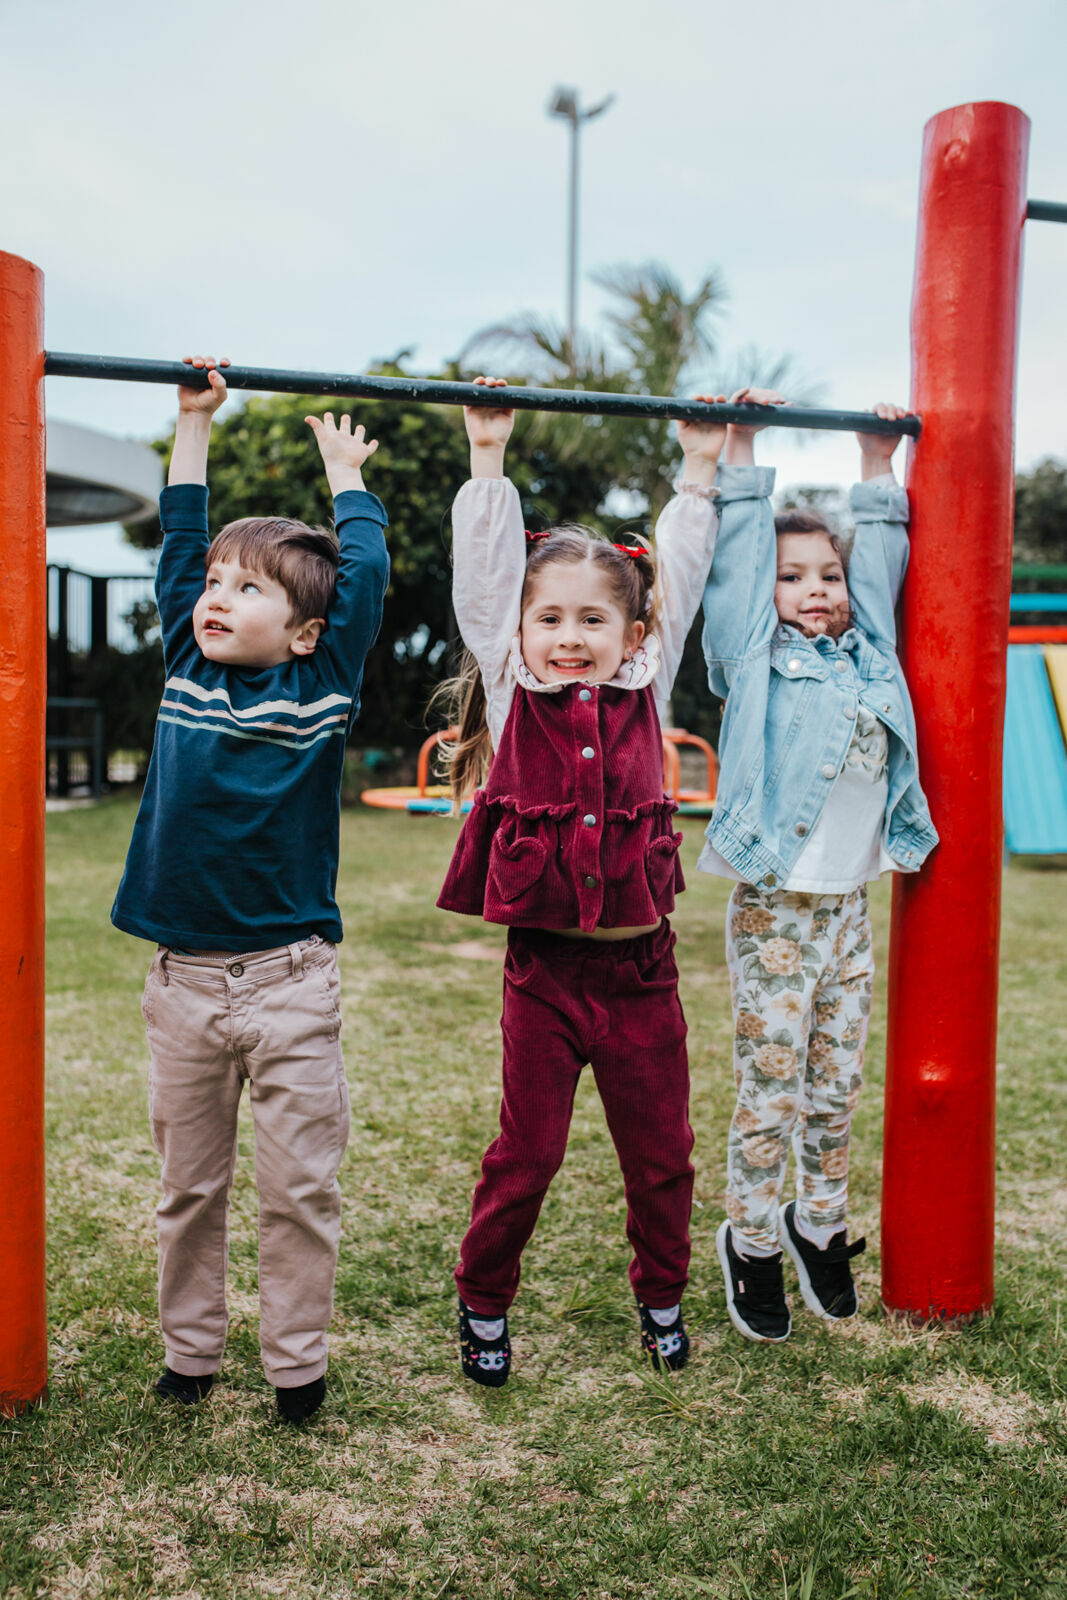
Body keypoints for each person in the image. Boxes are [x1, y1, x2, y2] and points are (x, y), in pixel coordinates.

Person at [111, 356, 390, 1420]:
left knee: (298, 1190)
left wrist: (344, 482)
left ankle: (295, 1366)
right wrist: (192, 424)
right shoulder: (186, 663)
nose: (218, 597)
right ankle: (189, 1354)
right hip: (182, 985)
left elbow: (359, 585)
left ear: (304, 630)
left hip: (290, 986)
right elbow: (184, 542)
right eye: (215, 587)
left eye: (248, 588)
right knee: (189, 1189)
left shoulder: (322, 683)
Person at [435, 376, 727, 1385]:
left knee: (663, 1154)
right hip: (545, 977)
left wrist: (696, 466)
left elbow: (679, 577)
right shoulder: (518, 694)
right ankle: (482, 1301)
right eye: (548, 617)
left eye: (591, 621)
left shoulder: (648, 682)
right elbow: (483, 580)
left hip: (642, 976)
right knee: (530, 1154)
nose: (568, 635)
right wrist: (488, 456)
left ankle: (661, 1294)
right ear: (517, 634)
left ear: (630, 637)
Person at [698, 390, 938, 1342]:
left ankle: (820, 1225)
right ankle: (752, 1242)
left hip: (847, 908)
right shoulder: (753, 661)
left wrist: (877, 466)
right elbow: (738, 571)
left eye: (825, 573)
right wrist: (744, 448)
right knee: (773, 1087)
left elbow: (880, 573)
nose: (816, 589)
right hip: (777, 906)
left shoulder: (870, 652)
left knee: (835, 1085)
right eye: (792, 576)